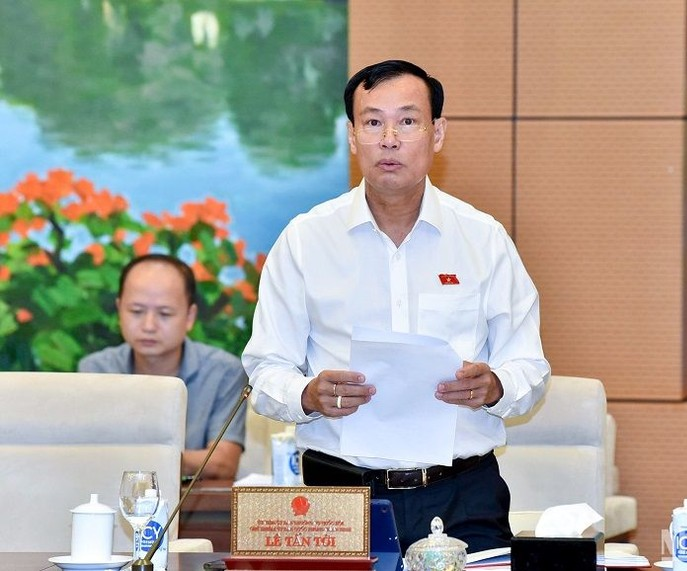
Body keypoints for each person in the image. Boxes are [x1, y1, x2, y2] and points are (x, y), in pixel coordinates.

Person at [242, 59, 550, 552]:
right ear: (352, 136)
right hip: (339, 497)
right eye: (372, 122)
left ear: (437, 133)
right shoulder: (305, 240)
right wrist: (306, 394)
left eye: (407, 121)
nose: (389, 139)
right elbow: (264, 370)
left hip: (463, 494)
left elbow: (529, 366)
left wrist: (496, 386)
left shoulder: (483, 239)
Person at [79, 253, 248, 480]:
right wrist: (173, 459)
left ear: (190, 316)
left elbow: (222, 463)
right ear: (119, 310)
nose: (149, 326)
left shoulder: (224, 372)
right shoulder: (97, 370)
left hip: (193, 500)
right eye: (136, 311)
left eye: (164, 314)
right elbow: (87, 458)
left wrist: (136, 459)